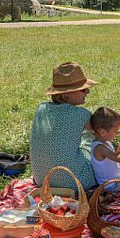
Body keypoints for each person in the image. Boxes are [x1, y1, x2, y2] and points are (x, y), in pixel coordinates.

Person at [29, 62, 98, 193]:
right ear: (67, 93)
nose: (88, 92)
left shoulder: (40, 110)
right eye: (83, 89)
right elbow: (98, 136)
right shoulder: (82, 115)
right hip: (74, 182)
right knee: (91, 145)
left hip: (42, 180)